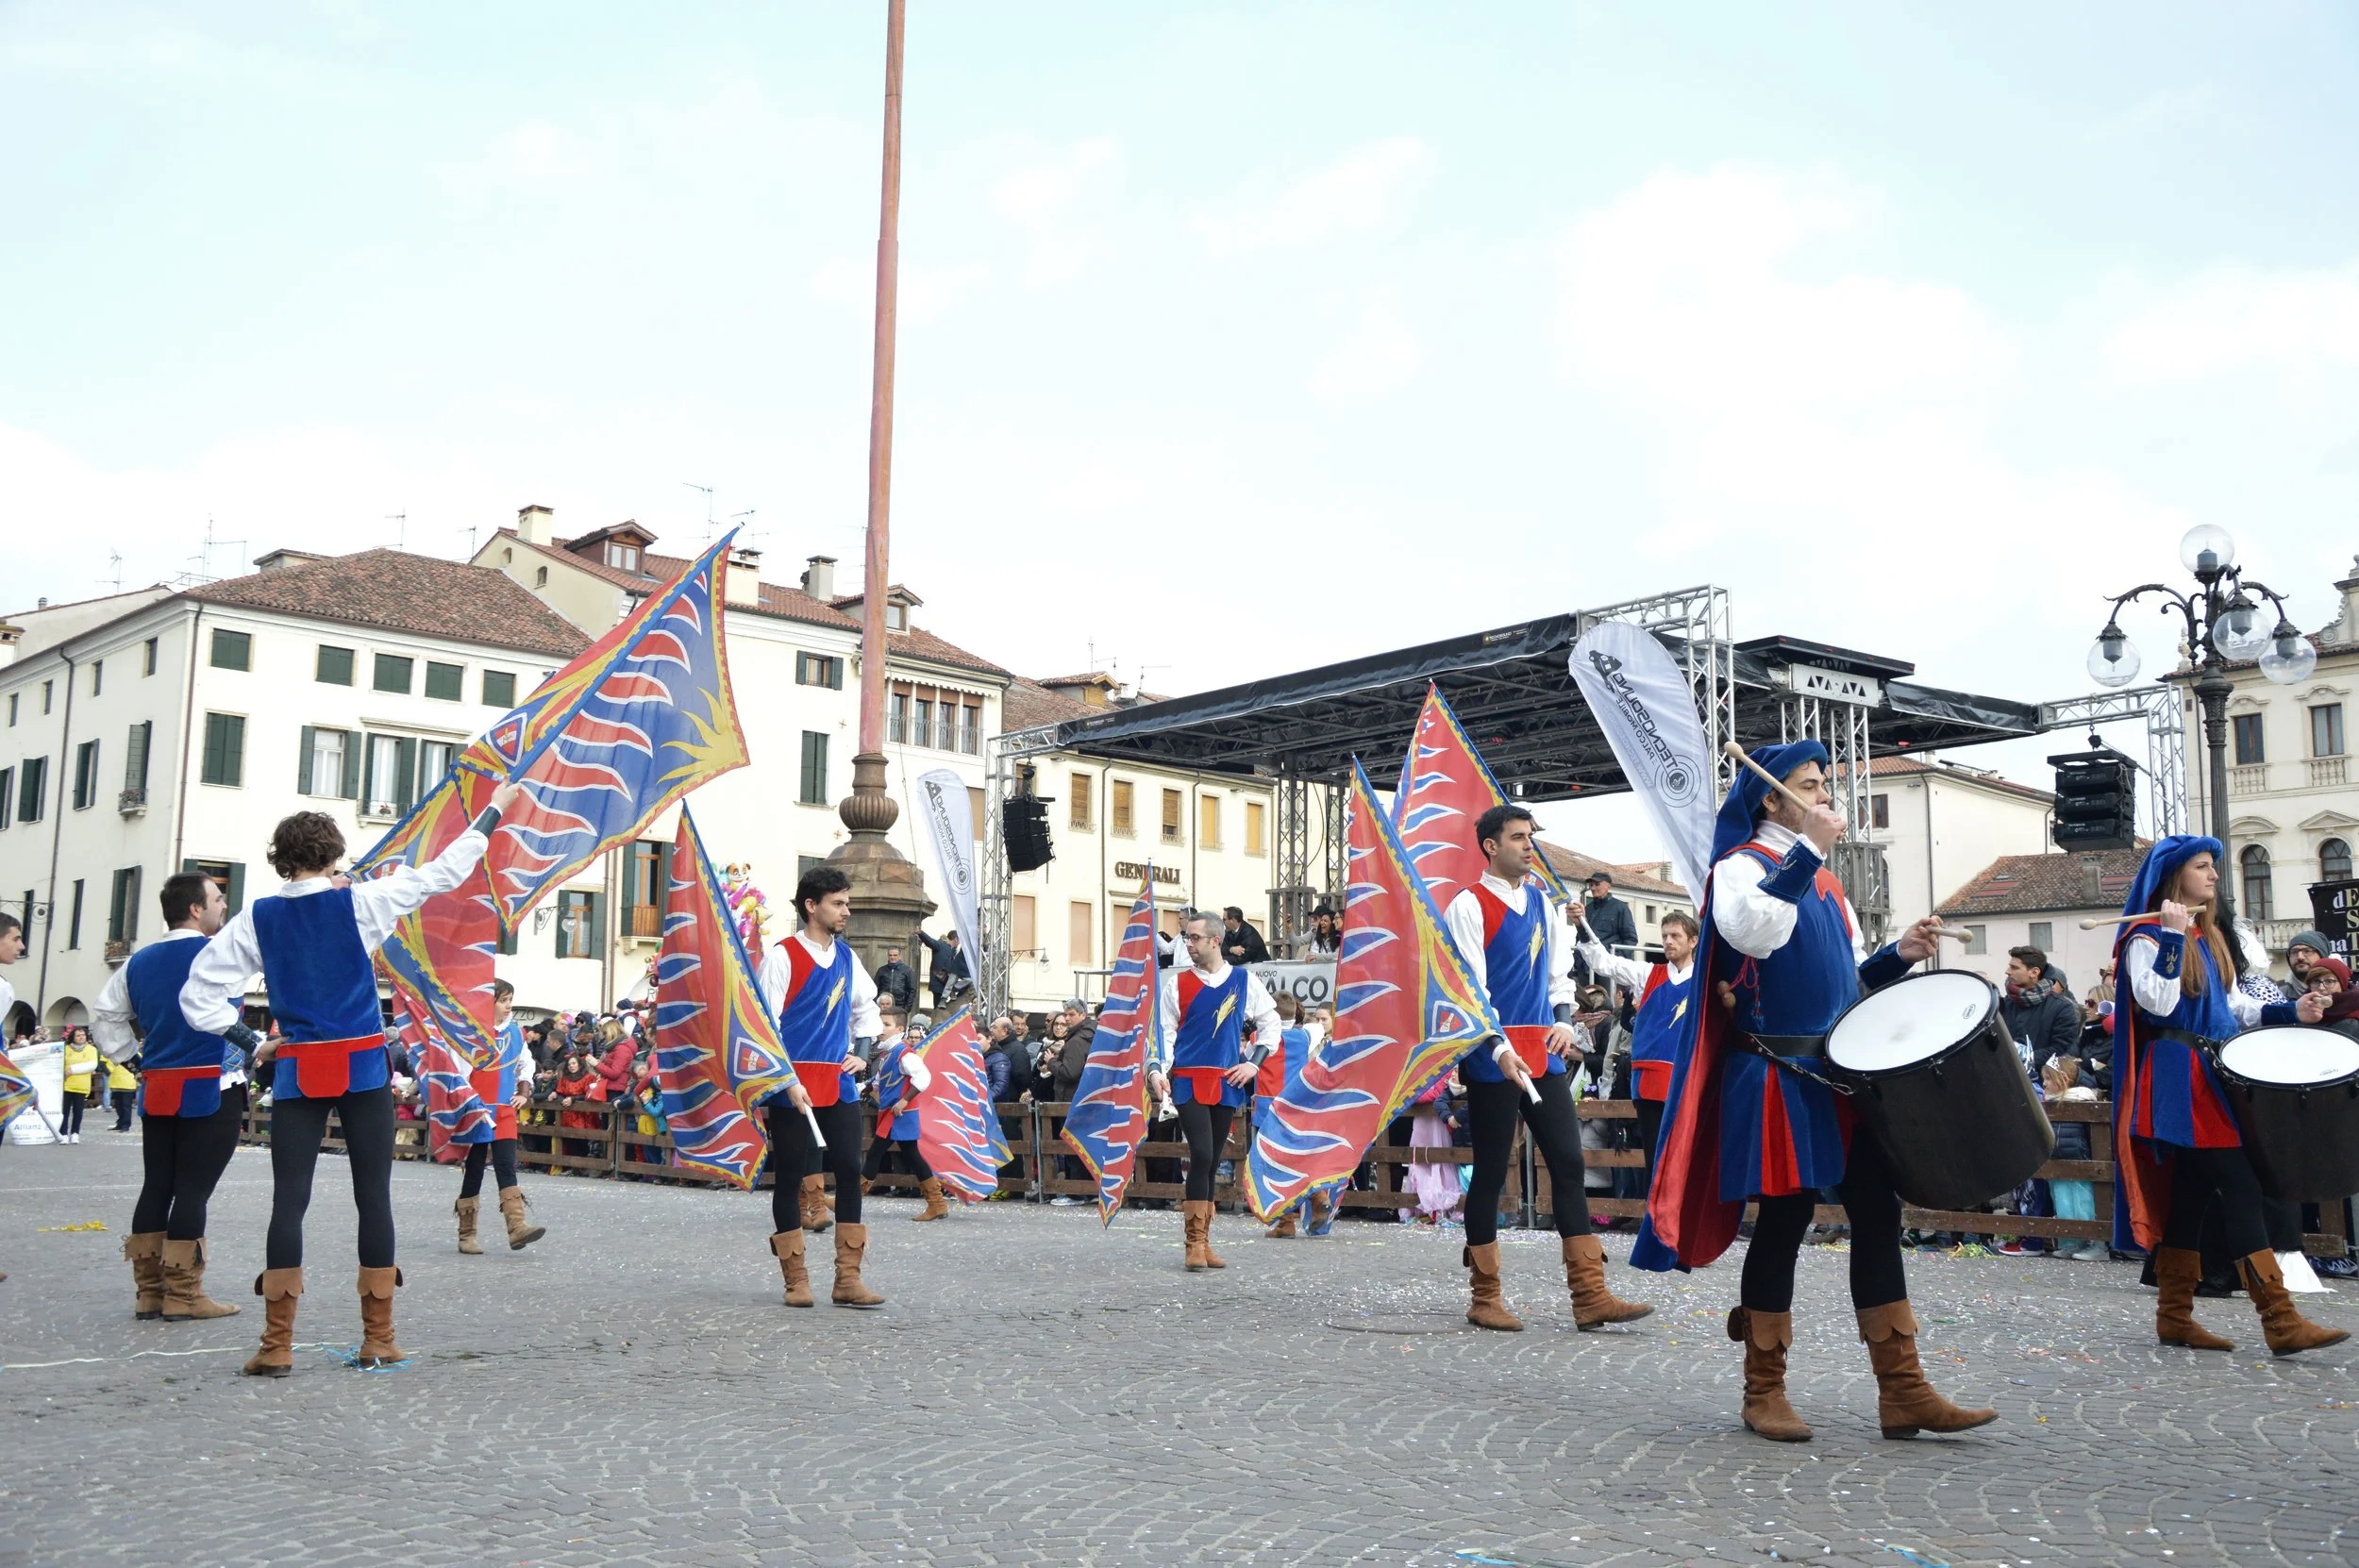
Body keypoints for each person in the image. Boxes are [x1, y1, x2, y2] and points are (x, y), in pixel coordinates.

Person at [1636, 741, 1993, 1443]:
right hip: (1774, 1074)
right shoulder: (1741, 868)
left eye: (1826, 783)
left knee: (1876, 1212)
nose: (1826, 796)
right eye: (1809, 785)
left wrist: (1900, 956)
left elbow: (1846, 983)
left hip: (1836, 1076)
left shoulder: (1824, 882)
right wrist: (1808, 857)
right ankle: (1762, 1388)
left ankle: (1904, 1390)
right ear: (1771, 799)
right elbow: (1753, 933)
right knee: (1786, 1221)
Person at [182, 782, 523, 1376]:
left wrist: (252, 1043)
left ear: (279, 858)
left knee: (288, 1203)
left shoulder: (256, 917)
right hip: (364, 1067)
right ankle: (378, 1338)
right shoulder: (362, 901)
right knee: (374, 1199)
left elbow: (199, 996)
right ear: (333, 854)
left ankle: (276, 1345)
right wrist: (496, 808)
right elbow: (446, 871)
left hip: (298, 1066)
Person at [2111, 835, 2344, 1356]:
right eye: (2202, 866)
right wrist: (2172, 937)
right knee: (2239, 1187)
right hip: (2179, 1076)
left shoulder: (2208, 936)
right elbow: (2159, 1004)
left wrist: (2291, 1012)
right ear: (2175, 878)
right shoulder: (2146, 938)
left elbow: (2234, 1010)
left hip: (2210, 1072)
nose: (2214, 876)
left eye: (2213, 867)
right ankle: (2280, 1320)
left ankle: (2175, 1316)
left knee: (2191, 1198)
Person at [1444, 805, 1650, 1334]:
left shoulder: (1543, 902)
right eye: (1517, 838)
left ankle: (1590, 1295)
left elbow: (1559, 978)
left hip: (1543, 1052)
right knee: (1491, 1170)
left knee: (1568, 1162)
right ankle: (1484, 1295)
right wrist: (1496, 1047)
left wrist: (1564, 1022)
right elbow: (1468, 991)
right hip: (1495, 1056)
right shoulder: (1467, 905)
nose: (1528, 845)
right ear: (1491, 846)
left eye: (1530, 837)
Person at [92, 872, 243, 1322]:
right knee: (193, 1190)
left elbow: (105, 1019)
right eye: (217, 898)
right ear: (195, 908)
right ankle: (184, 1293)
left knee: (157, 1184)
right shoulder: (219, 954)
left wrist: (135, 1063)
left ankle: (149, 1292)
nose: (223, 906)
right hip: (211, 1083)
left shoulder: (137, 962)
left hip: (159, 1084)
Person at [754, 864, 883, 1310]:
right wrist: (786, 1082)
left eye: (847, 902)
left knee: (849, 1169)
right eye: (838, 903)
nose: (846, 911)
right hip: (792, 1081)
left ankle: (848, 1279)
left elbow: (867, 1009)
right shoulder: (782, 956)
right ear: (812, 905)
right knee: (790, 1176)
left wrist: (862, 1053)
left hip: (838, 1080)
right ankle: (796, 1282)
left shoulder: (848, 958)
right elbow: (765, 1026)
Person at [1149, 909, 1281, 1271]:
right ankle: (1193, 1243)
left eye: (1193, 938)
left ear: (1215, 940)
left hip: (1225, 1081)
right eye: (1186, 938)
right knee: (1203, 1154)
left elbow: (1271, 1024)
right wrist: (1158, 1072)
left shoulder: (1243, 981)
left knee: (1210, 1164)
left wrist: (1253, 1062)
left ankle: (1204, 1242)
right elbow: (1165, 1035)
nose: (1187, 944)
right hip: (1188, 1079)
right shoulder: (1176, 985)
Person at [1577, 909, 1699, 1193]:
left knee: (1688, 1156)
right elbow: (1605, 962)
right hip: (1651, 1080)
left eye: (1675, 936)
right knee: (1655, 1159)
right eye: (1665, 936)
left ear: (1693, 941)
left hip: (1687, 1079)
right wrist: (1582, 924)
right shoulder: (1649, 974)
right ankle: (1655, 1225)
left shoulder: (1704, 979)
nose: (1668, 942)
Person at [450, 979, 547, 1255]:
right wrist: (468, 1104)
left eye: (509, 1000)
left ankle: (517, 1228)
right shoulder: (472, 1034)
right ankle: (467, 1234)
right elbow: (458, 1073)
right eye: (503, 1000)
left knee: (506, 1165)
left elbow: (525, 1064)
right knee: (475, 1170)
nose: (508, 1006)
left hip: (503, 1111)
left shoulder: (516, 1033)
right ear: (488, 1002)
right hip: (478, 1112)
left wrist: (524, 1091)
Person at [868, 1016, 949, 1222]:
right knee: (912, 1155)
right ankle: (937, 1203)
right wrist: (865, 1088)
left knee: (875, 1153)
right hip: (892, 1113)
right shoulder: (889, 1053)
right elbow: (879, 1082)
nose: (881, 1028)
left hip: (899, 1114)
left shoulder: (903, 1052)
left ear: (900, 1029)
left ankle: (849, 1200)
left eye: (886, 1025)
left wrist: (904, 1101)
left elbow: (923, 1077)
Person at [2000, 946, 2080, 1076]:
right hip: (2006, 1077)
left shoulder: (2062, 1008)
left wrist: (2023, 1058)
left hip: (2042, 1084)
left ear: (2034, 972)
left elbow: (2062, 1049)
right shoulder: (2005, 1004)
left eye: (2014, 967)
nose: (2007, 972)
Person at [1580, 872, 1640, 971]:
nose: (1593, 888)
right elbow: (1581, 937)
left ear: (1608, 886)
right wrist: (1579, 962)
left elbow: (1630, 939)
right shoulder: (1587, 909)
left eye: (1597, 884)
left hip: (1611, 968)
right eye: (1591, 885)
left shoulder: (1620, 908)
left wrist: (1616, 961)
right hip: (1587, 966)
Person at [59, 1026, 97, 1143]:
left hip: (81, 1085)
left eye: (83, 1035)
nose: (81, 1037)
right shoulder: (66, 1049)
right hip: (66, 1084)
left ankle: (75, 1133)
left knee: (78, 1111)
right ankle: (63, 1133)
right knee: (64, 1111)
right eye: (78, 1035)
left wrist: (73, 1069)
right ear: (73, 1037)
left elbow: (92, 1065)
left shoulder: (91, 1049)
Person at [915, 929, 970, 1008]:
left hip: (948, 983)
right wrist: (921, 933)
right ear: (956, 939)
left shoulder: (955, 950)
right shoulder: (941, 945)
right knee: (938, 1008)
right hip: (939, 983)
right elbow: (930, 941)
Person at [874, 946, 918, 1014]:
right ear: (888, 956)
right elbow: (875, 988)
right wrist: (877, 1003)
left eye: (895, 955)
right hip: (884, 1006)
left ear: (900, 956)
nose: (892, 957)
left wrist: (907, 1009)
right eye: (890, 955)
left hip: (900, 1006)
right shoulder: (881, 970)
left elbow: (912, 990)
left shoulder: (907, 970)